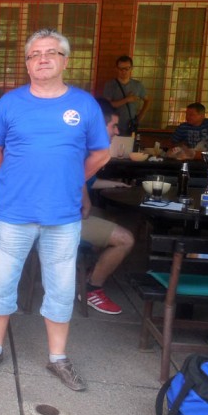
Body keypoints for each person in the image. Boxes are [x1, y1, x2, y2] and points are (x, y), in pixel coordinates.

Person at [0, 28, 110, 391]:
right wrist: (16, 177)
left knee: (61, 289)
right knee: (0, 284)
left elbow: (100, 154)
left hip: (62, 217)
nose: (42, 59)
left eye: (50, 53)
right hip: (13, 213)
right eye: (34, 54)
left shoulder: (84, 105)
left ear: (65, 60)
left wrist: (70, 180)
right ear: (27, 63)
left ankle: (58, 358)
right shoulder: (9, 103)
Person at [80, 98, 135, 315]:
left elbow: (87, 181)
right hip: (61, 220)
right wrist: (85, 201)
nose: (117, 131)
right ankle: (91, 288)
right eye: (113, 126)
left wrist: (115, 184)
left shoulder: (79, 145)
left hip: (58, 215)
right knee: (126, 239)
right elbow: (77, 181)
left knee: (109, 219)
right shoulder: (82, 150)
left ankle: (88, 272)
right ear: (98, 125)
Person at [103, 55, 149, 136]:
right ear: (116, 69)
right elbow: (107, 105)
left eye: (127, 68)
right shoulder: (110, 85)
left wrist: (141, 116)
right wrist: (127, 99)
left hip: (131, 126)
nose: (124, 71)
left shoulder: (138, 85)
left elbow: (147, 100)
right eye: (121, 69)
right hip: (114, 126)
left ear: (131, 68)